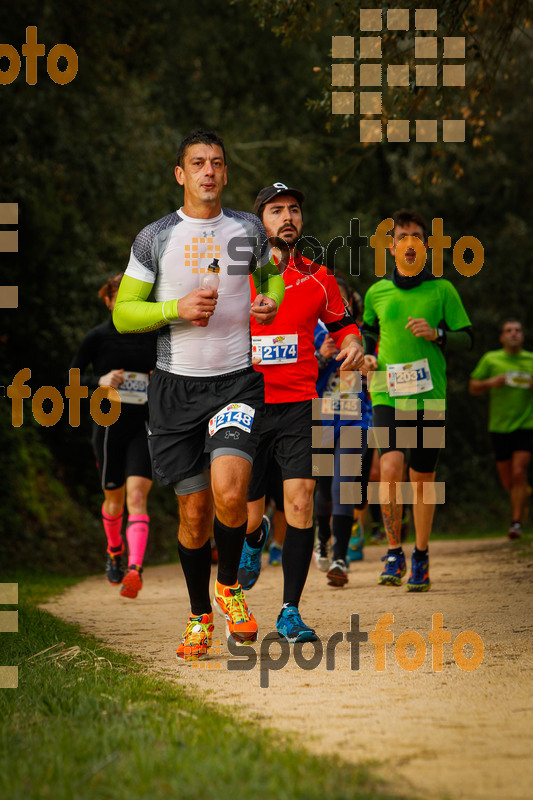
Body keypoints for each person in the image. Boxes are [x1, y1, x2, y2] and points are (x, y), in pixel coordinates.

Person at [113, 130, 284, 661]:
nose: (208, 171)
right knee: (194, 515)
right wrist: (175, 309)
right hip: (175, 389)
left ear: (226, 174)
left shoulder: (249, 229)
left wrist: (270, 304)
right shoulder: (156, 237)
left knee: (232, 494)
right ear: (180, 175)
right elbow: (123, 313)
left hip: (236, 380)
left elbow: (271, 281)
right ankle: (198, 615)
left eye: (216, 163)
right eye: (197, 163)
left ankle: (228, 588)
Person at [238, 182, 365, 640]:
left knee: (301, 500)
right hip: (246, 403)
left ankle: (289, 610)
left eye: (293, 210)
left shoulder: (319, 276)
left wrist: (352, 343)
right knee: (245, 513)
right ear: (259, 221)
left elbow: (344, 324)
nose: (287, 217)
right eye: (276, 211)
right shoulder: (238, 273)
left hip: (297, 405)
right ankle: (254, 539)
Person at [363, 209, 472, 591]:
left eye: (416, 238)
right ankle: (394, 551)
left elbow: (466, 338)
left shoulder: (442, 290)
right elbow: (365, 334)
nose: (409, 244)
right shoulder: (377, 292)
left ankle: (421, 555)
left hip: (429, 395)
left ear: (425, 247)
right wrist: (367, 356)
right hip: (386, 391)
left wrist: (437, 334)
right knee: (390, 468)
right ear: (391, 248)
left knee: (422, 478)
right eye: (402, 237)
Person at [70, 272, 157, 598]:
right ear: (108, 301)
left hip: (143, 426)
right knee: (114, 501)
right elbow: (72, 380)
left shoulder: (152, 335)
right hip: (108, 427)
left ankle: (134, 569)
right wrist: (100, 380)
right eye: (119, 296)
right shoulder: (97, 337)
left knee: (137, 498)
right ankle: (114, 549)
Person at [313, 277, 372, 587]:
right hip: (319, 419)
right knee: (322, 490)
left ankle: (340, 558)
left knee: (343, 486)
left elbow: (383, 374)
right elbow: (298, 378)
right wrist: (322, 356)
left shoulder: (362, 337)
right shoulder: (312, 332)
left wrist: (371, 366)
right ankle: (322, 538)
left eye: (345, 302)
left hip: (354, 419)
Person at [469, 319, 533, 538]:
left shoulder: (531, 360)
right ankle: (522, 497)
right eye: (509, 330)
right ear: (502, 337)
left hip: (527, 424)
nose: (514, 333)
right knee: (508, 480)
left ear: (523, 335)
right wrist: (490, 383)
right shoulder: (491, 359)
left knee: (518, 471)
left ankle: (516, 522)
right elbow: (473, 386)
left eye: (518, 330)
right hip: (499, 426)